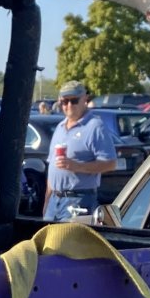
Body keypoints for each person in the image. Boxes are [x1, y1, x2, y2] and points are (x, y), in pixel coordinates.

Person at [44, 80, 116, 219]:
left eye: (74, 100)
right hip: (54, 201)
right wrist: (47, 201)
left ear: (84, 100)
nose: (69, 105)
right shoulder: (60, 127)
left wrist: (76, 166)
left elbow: (110, 163)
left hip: (79, 200)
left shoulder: (95, 126)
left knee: (70, 240)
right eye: (65, 101)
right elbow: (52, 168)